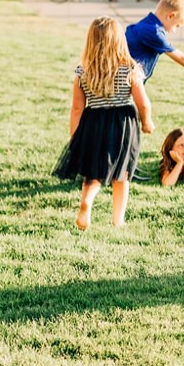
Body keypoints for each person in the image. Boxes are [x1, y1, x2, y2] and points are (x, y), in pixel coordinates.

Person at [52, 16, 154, 229]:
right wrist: (147, 122)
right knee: (122, 173)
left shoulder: (83, 71)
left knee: (92, 173)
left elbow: (77, 108)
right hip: (122, 125)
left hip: (93, 124)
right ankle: (118, 220)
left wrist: (75, 136)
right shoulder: (130, 69)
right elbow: (143, 103)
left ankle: (87, 201)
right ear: (119, 41)